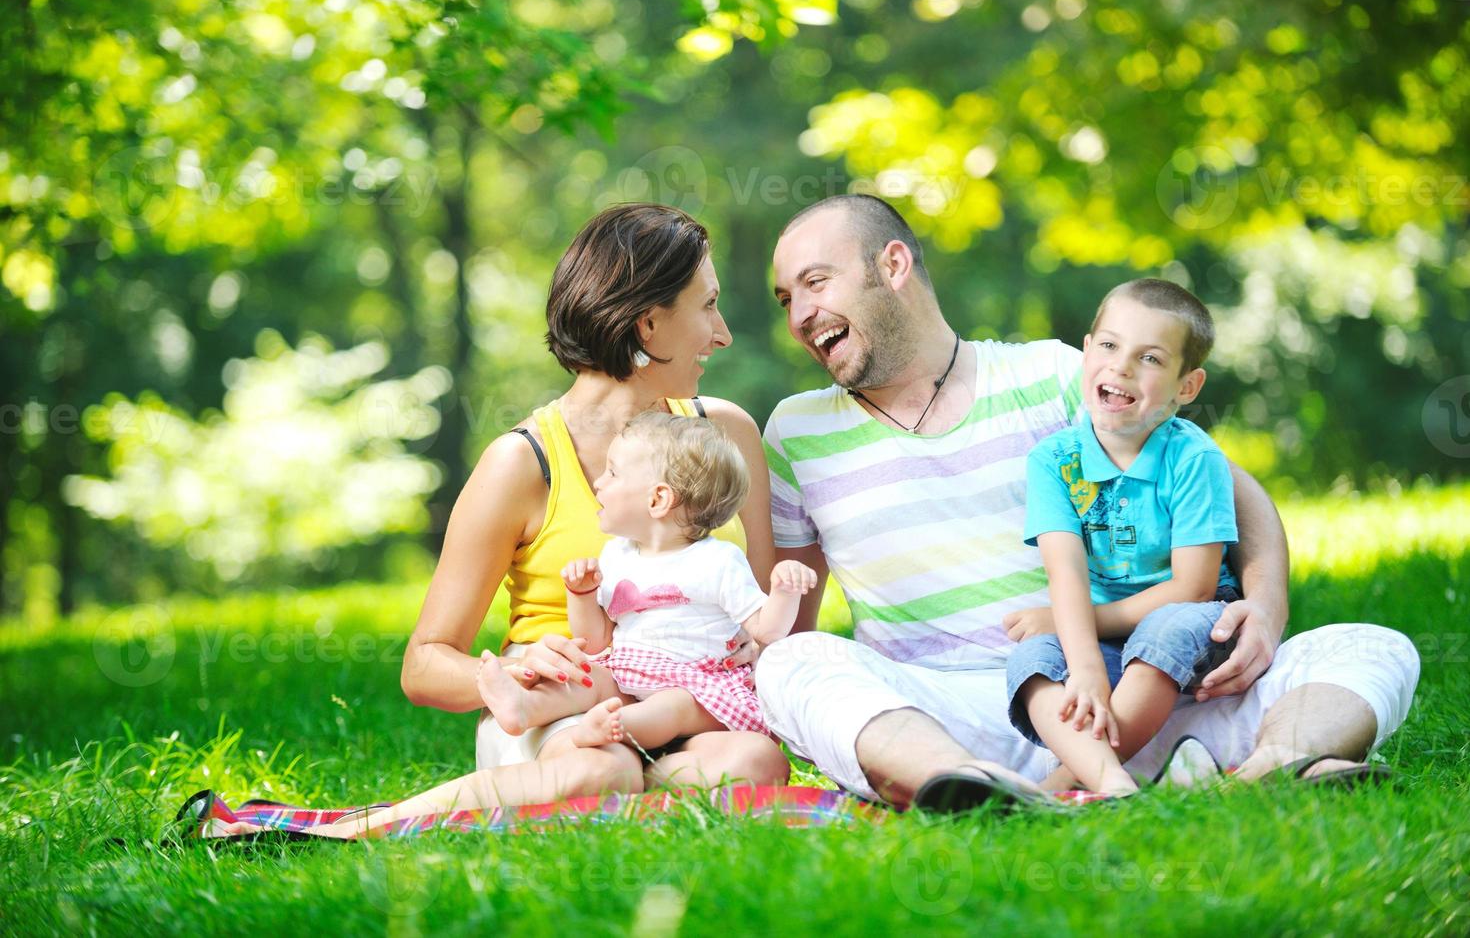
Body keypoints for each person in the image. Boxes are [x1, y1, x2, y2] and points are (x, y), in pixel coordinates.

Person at [756, 194, 1420, 808]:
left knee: (1373, 646)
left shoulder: (1051, 379)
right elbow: (791, 620)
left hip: (1125, 692)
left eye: (816, 283)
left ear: (892, 264)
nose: (799, 316)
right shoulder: (796, 431)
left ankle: (1270, 768)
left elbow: (1233, 491)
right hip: (941, 715)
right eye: (785, 299)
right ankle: (973, 788)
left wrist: (1267, 612)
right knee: (790, 665)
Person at [330, 204, 789, 835]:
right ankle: (368, 825)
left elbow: (775, 613)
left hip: (686, 703)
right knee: (605, 771)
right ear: (648, 325)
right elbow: (425, 664)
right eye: (707, 307)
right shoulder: (522, 463)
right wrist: (518, 672)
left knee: (755, 763)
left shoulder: (724, 433)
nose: (724, 333)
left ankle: (595, 801)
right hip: (562, 711)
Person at [1007, 277, 1244, 796]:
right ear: (1087, 353)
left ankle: (1066, 781)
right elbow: (1064, 571)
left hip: (1193, 618)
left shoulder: (1194, 458)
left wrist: (1084, 626)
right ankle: (1112, 781)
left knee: (1165, 633)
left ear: (1187, 386)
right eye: (1110, 346)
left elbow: (1194, 588)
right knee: (1033, 663)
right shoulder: (1054, 460)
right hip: (1103, 630)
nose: (1121, 366)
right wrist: (1086, 665)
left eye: (1151, 359)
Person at [476, 411, 816, 752]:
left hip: (699, 687)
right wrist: (582, 594)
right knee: (588, 676)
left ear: (657, 499)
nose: (599, 483)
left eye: (612, 473)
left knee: (671, 707)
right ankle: (523, 707)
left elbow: (766, 630)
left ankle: (615, 728)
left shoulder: (717, 561)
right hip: (631, 672)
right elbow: (595, 641)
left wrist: (785, 593)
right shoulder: (617, 556)